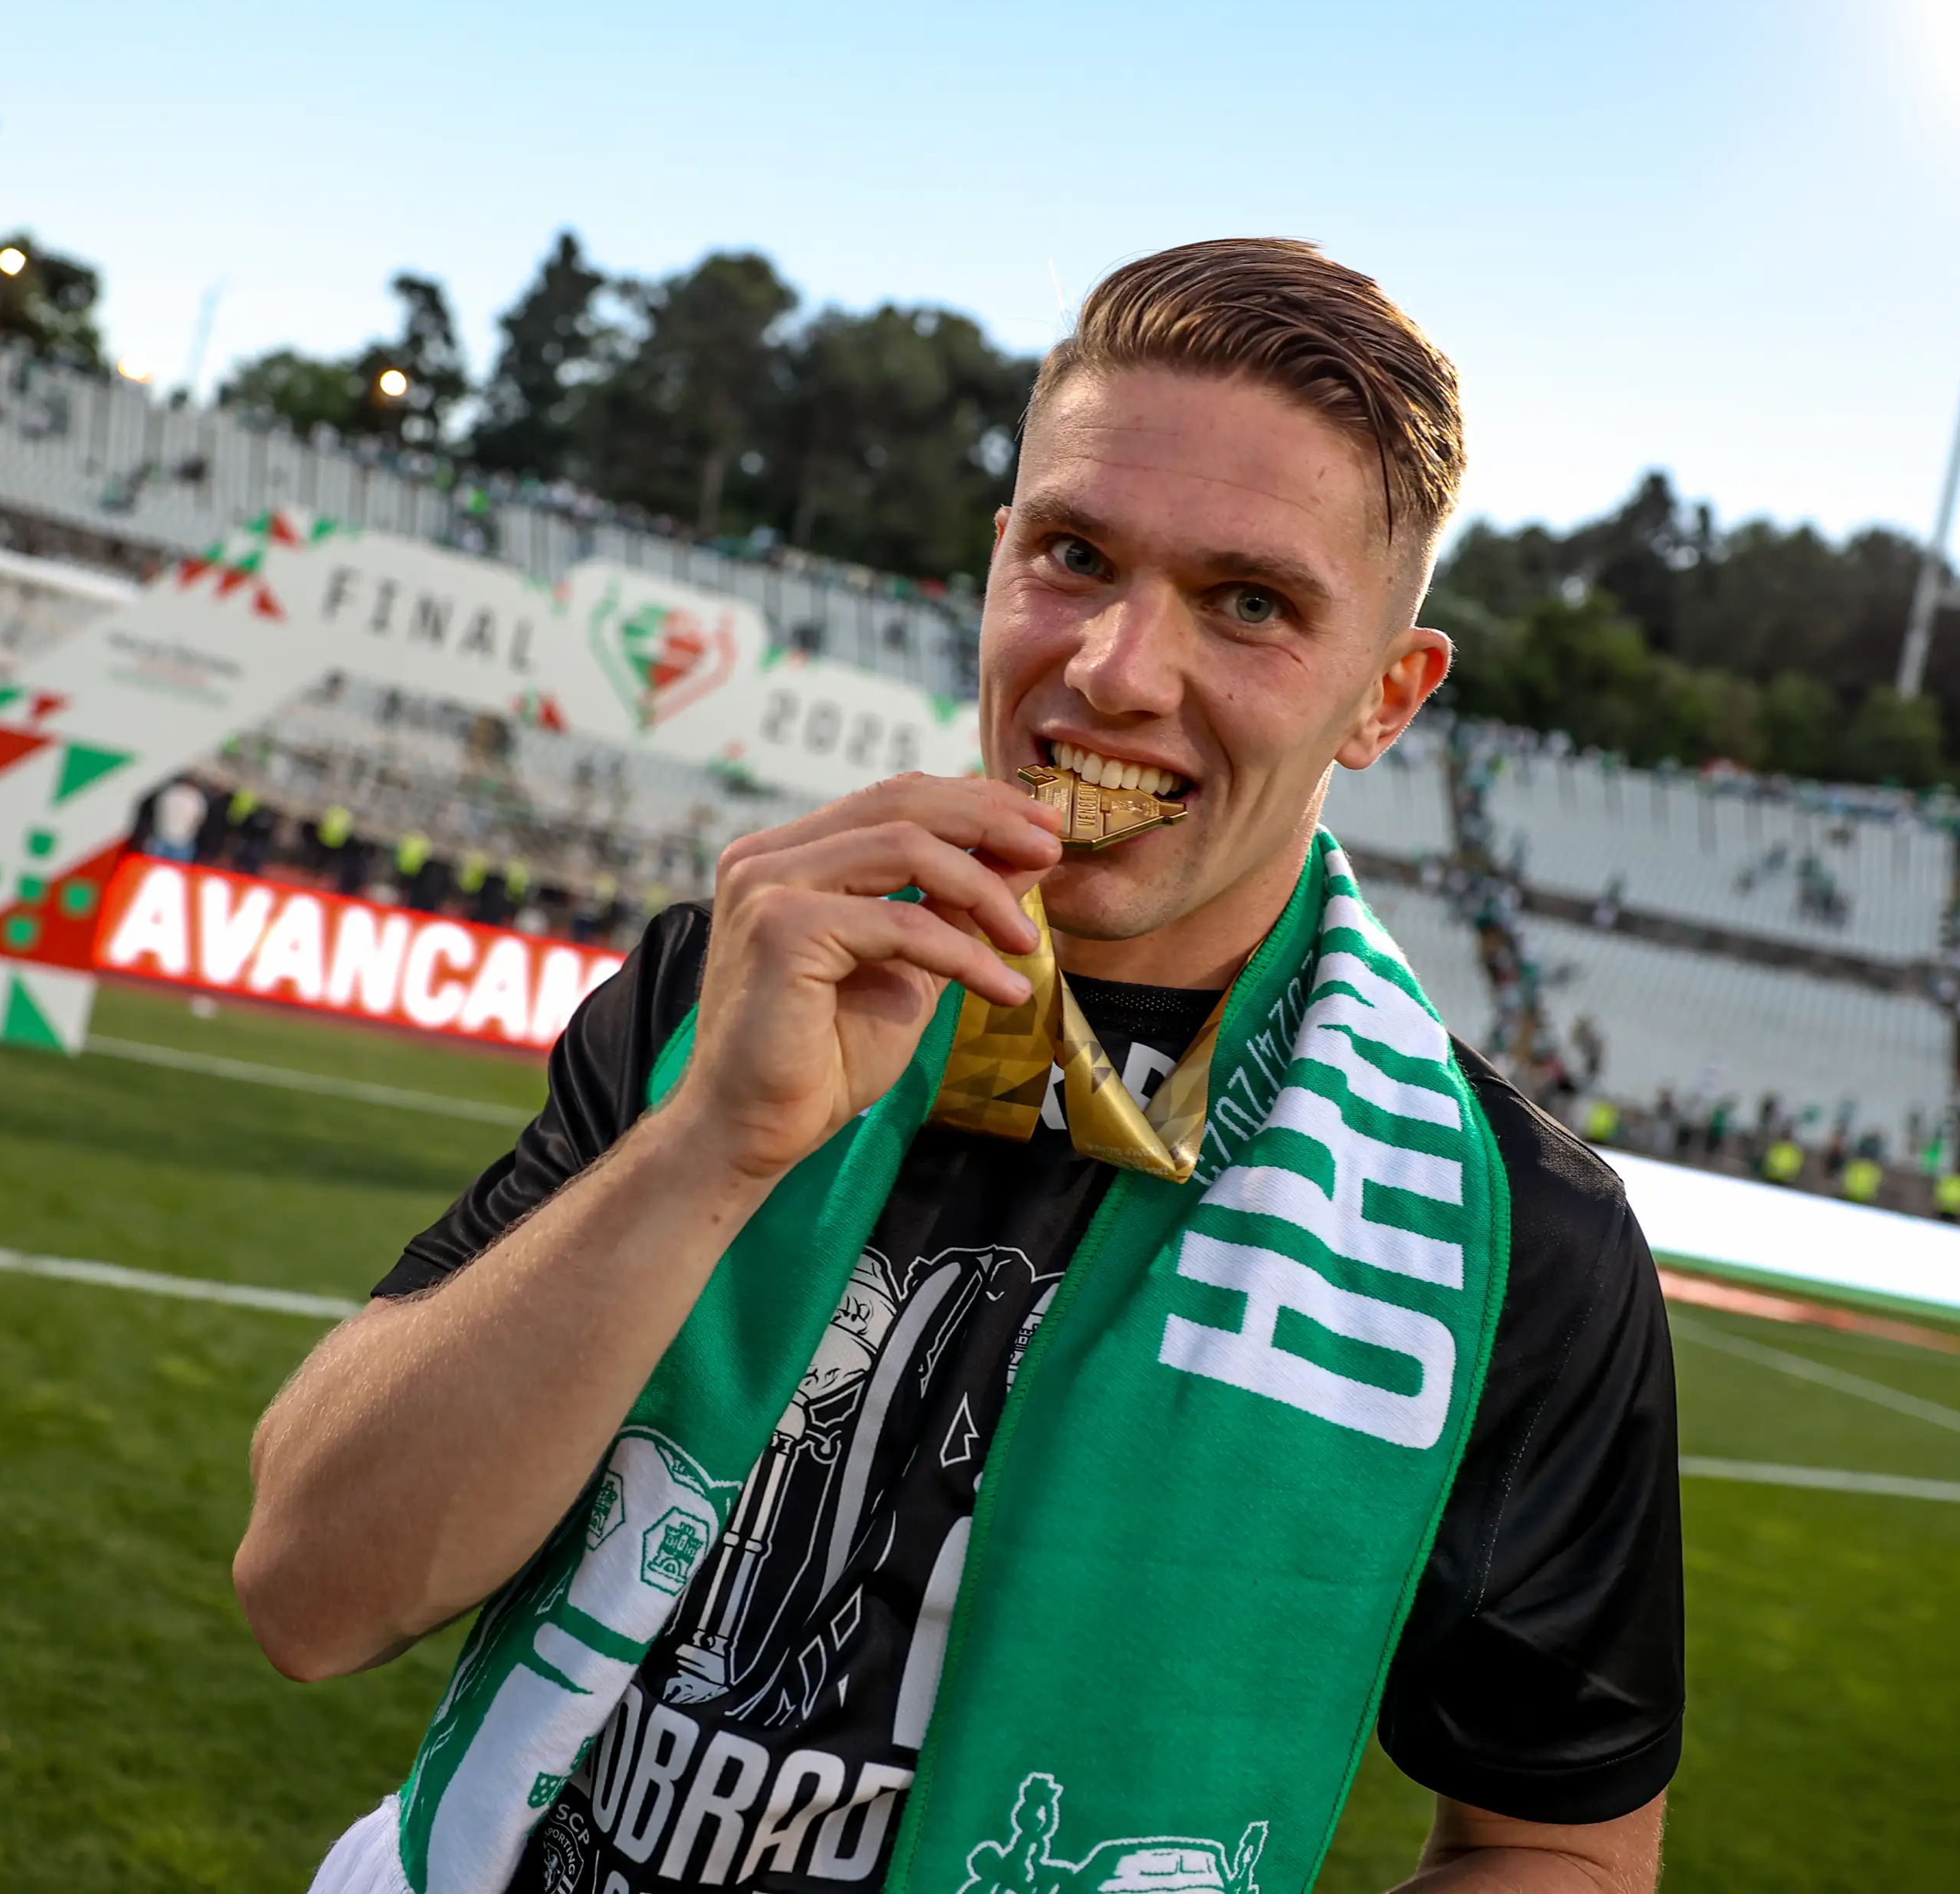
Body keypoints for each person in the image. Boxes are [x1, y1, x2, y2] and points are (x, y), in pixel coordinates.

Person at [240, 242, 1678, 1894]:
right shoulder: (726, 976)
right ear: (997, 565)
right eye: (1075, 555)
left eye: (1252, 603)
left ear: (1386, 698)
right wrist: (715, 1142)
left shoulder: (1508, 1233)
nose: (1120, 670)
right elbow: (309, 1588)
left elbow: (1557, 1844)